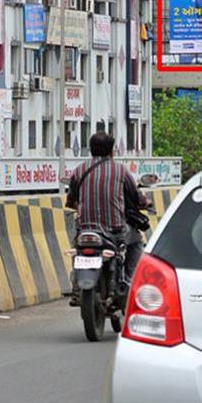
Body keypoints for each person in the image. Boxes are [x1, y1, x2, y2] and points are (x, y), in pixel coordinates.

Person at [65, 131, 150, 305]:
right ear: (111, 151)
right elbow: (135, 197)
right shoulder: (120, 170)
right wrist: (145, 203)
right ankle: (127, 281)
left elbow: (71, 201)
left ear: (90, 149)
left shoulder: (79, 170)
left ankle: (76, 286)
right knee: (136, 243)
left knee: (78, 245)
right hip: (114, 230)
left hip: (86, 229)